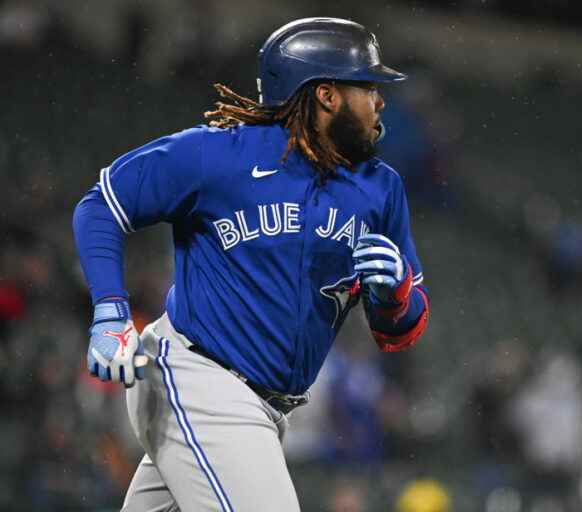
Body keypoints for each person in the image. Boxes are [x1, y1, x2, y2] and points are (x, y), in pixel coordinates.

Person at [72, 17, 429, 511]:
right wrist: (110, 310)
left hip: (264, 409)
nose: (380, 100)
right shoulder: (216, 154)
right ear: (326, 95)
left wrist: (396, 296)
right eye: (367, 86)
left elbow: (399, 332)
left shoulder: (380, 188)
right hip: (198, 379)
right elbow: (102, 206)